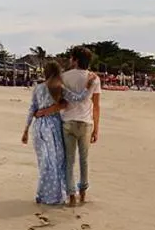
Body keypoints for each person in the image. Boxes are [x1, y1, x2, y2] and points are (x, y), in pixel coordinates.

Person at [22, 61, 98, 206]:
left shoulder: (38, 89)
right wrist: (88, 85)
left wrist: (26, 129)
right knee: (57, 161)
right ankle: (55, 194)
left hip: (38, 127)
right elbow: (78, 98)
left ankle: (44, 194)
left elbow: (32, 109)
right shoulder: (59, 87)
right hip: (54, 126)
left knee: (45, 162)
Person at [61, 47, 101, 206]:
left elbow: (61, 101)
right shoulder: (94, 78)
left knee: (69, 161)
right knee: (84, 160)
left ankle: (71, 195)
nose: (70, 61)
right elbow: (96, 106)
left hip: (68, 121)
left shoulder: (64, 77)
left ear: (76, 60)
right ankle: (83, 193)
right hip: (85, 123)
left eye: (72, 58)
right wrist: (96, 129)